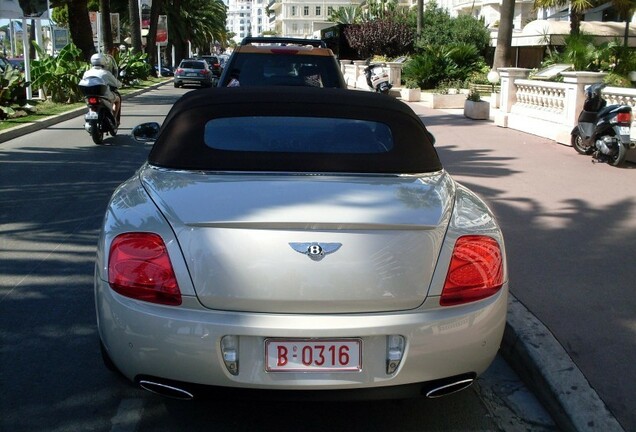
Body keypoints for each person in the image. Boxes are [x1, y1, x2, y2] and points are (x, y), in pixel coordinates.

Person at [82, 53, 122, 124]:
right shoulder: (105, 73)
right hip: (104, 95)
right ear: (103, 61)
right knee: (118, 99)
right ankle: (115, 119)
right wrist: (120, 84)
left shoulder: (86, 73)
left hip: (89, 96)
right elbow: (116, 83)